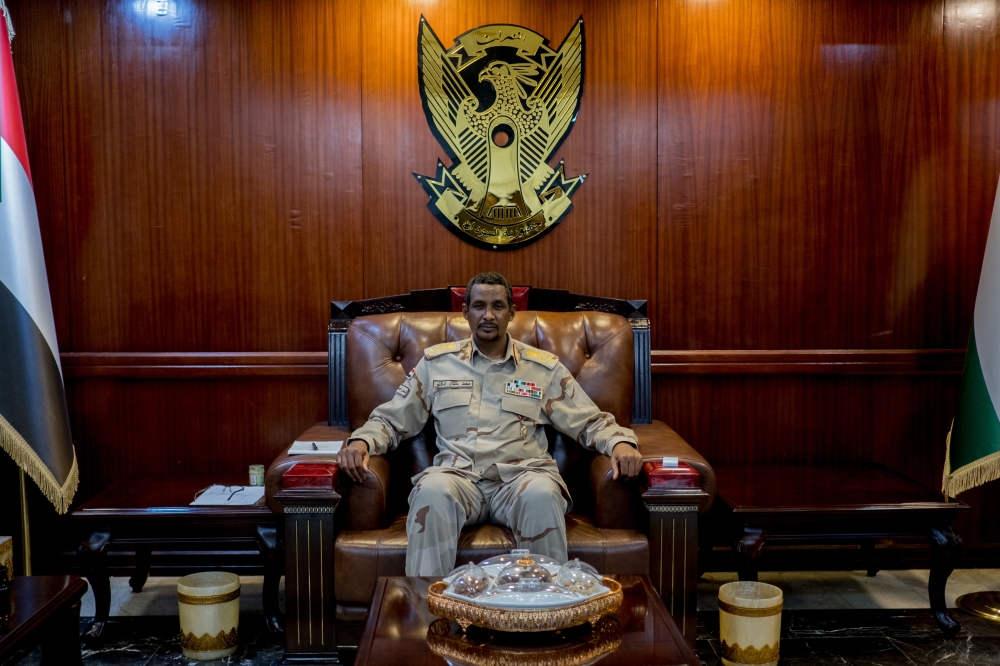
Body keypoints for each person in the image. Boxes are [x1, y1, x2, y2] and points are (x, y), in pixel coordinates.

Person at [337, 272, 644, 576]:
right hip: (457, 479)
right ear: (465, 312)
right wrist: (362, 442)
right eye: (479, 306)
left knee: (542, 494)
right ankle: (428, 614)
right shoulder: (437, 364)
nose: (488, 315)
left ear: (512, 312)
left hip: (521, 479)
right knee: (431, 492)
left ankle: (543, 616)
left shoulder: (541, 368)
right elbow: (392, 418)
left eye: (498, 306)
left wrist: (619, 443)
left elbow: (588, 420)